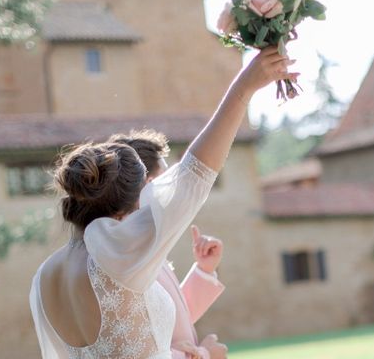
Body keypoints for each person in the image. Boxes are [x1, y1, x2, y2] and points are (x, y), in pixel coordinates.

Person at [29, 47, 298, 359]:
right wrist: (243, 88)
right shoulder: (116, 249)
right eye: (157, 187)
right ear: (142, 191)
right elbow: (196, 172)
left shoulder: (43, 276)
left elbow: (133, 335)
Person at [109, 129, 227, 359]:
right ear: (148, 184)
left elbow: (167, 318)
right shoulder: (125, 255)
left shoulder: (144, 244)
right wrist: (203, 355)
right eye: (166, 180)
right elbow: (135, 349)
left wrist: (204, 270)